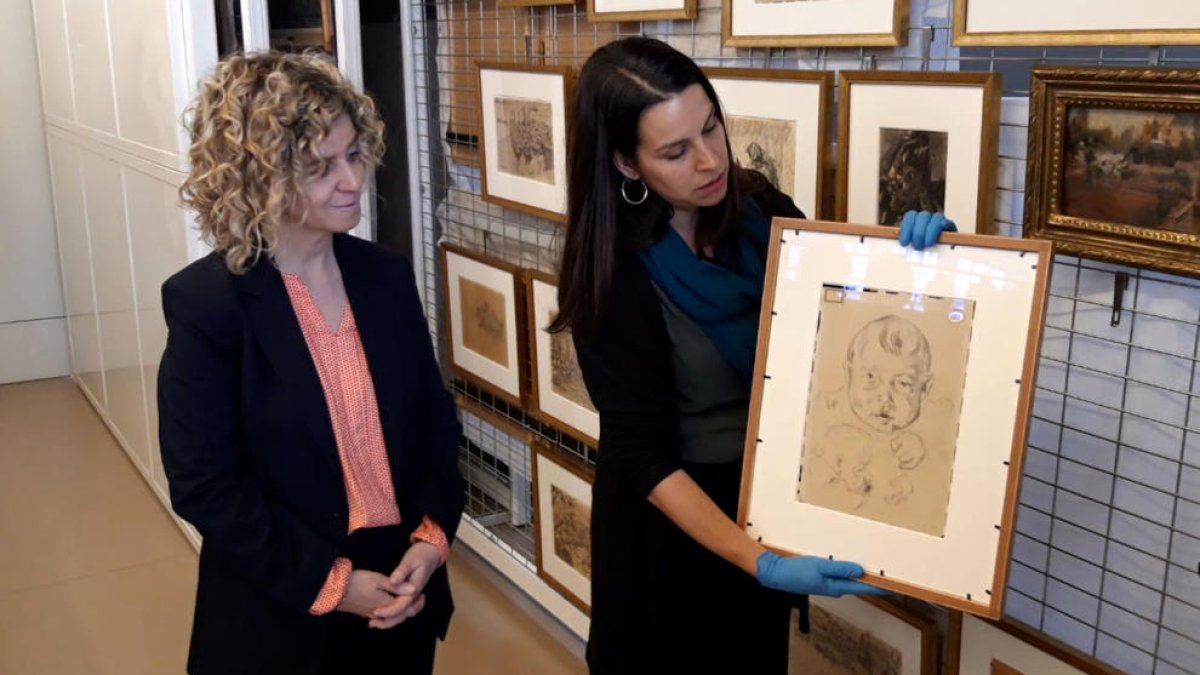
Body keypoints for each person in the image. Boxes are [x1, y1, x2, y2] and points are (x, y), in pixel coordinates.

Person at [551, 37, 954, 674]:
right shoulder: (613, 273)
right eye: (675, 152)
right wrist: (758, 561)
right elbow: (642, 457)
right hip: (668, 541)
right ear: (627, 163)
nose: (710, 159)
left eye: (711, 126)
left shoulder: (764, 213)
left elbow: (846, 324)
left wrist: (926, 269)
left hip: (766, 509)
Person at [158, 51, 464, 675]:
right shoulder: (207, 304)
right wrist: (335, 583)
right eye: (320, 168)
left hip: (401, 581)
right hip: (282, 601)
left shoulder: (385, 276)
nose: (352, 181)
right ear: (256, 177)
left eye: (353, 155)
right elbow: (205, 485)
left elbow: (435, 422)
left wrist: (431, 541)